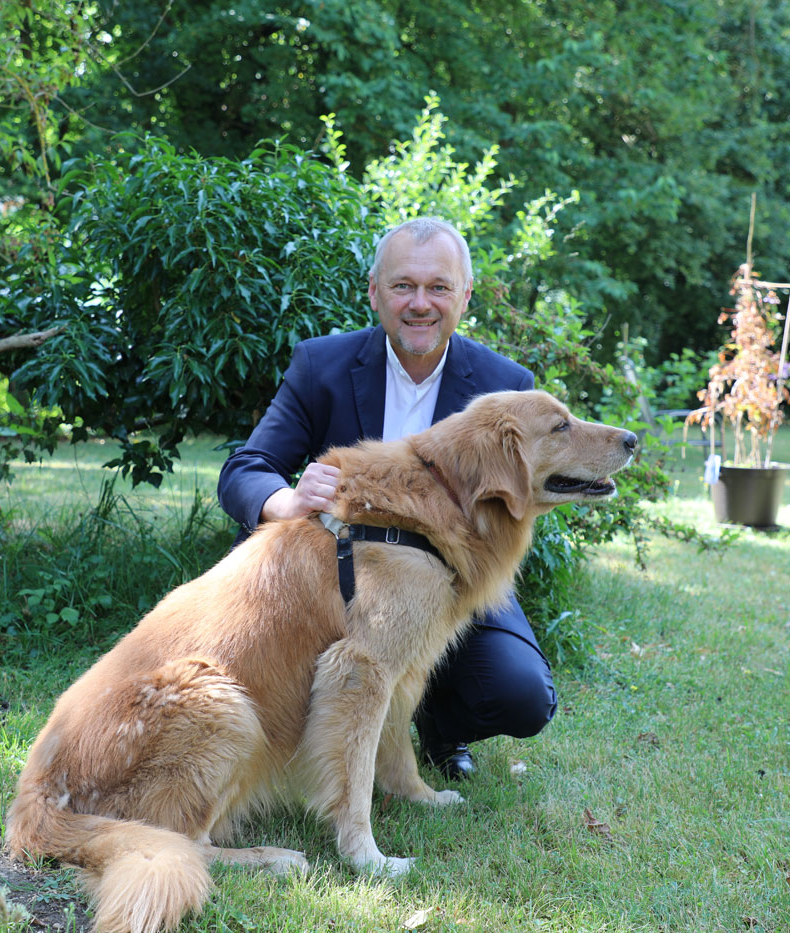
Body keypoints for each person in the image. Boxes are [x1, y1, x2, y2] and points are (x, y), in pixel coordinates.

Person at [216, 217, 558, 780]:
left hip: (450, 584)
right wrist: (285, 501)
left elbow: (528, 491)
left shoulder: (506, 386)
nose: (419, 303)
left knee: (519, 692)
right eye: (403, 286)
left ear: (465, 296)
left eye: (438, 287)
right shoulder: (320, 365)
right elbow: (245, 468)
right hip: (325, 585)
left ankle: (434, 735)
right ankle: (307, 738)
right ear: (374, 292)